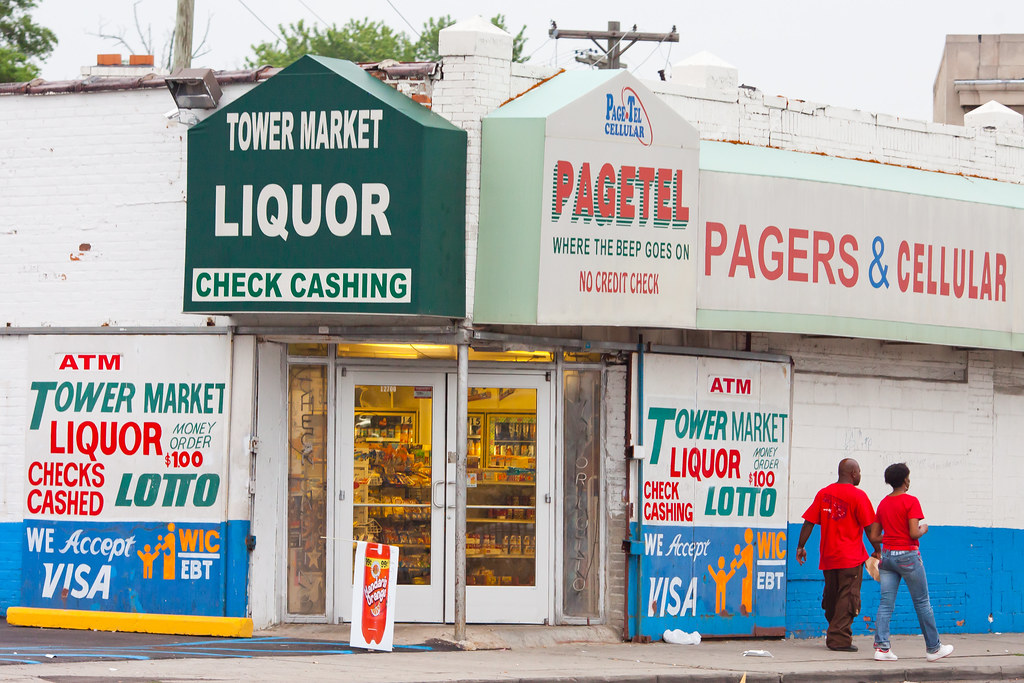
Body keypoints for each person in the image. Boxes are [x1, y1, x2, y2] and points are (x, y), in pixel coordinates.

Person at [868, 463, 954, 663]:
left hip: (888, 557)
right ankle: (934, 648)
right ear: (905, 480)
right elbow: (914, 533)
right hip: (908, 557)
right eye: (909, 477)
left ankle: (882, 649)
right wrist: (924, 528)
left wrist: (891, 537)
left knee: (886, 603)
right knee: (922, 602)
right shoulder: (911, 501)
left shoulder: (883, 503)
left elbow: (874, 535)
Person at [796, 458, 880, 652]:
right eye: (859, 471)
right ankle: (839, 640)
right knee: (848, 598)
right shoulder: (858, 496)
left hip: (828, 558)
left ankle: (835, 633)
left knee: (833, 598)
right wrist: (878, 549)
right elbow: (870, 528)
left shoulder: (823, 493)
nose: (860, 475)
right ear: (852, 473)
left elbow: (808, 522)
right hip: (851, 559)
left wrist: (801, 546)